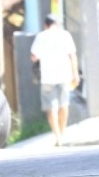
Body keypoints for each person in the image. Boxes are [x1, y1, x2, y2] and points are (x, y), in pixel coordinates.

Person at [30, 14, 80, 147]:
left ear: (45, 25)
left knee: (50, 107)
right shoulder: (65, 35)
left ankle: (57, 135)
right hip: (65, 74)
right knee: (64, 104)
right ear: (57, 24)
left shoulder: (41, 36)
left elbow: (34, 56)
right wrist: (75, 73)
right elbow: (72, 55)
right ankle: (62, 134)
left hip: (48, 76)